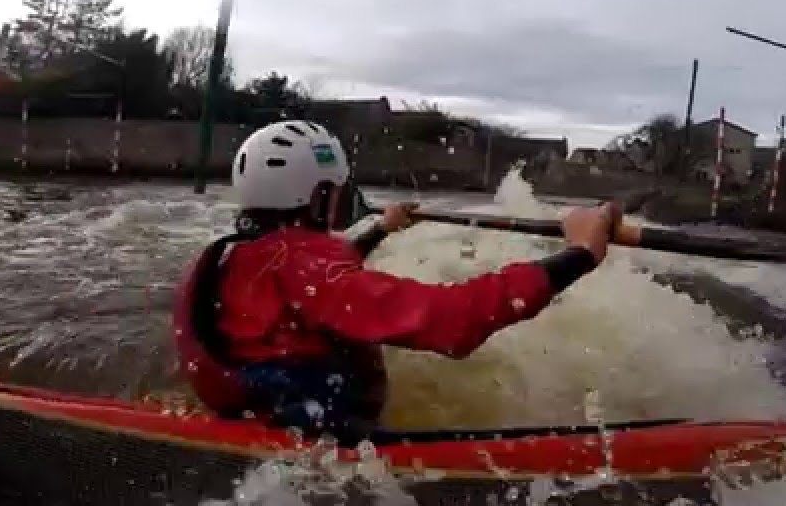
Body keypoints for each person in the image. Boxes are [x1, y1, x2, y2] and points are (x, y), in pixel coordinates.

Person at [172, 120, 620, 441]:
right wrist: (579, 255)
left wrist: (381, 228)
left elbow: (315, 286)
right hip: (315, 447)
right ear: (318, 197)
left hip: (259, 414)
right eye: (337, 191)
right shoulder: (304, 269)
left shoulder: (239, 254)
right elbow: (452, 320)